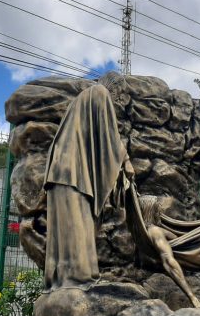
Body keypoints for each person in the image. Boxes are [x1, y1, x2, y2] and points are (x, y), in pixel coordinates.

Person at [43, 82, 134, 290]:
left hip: (60, 168)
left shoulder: (79, 102)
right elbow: (108, 134)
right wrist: (126, 161)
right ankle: (79, 277)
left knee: (63, 228)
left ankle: (61, 279)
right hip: (72, 170)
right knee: (78, 224)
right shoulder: (99, 93)